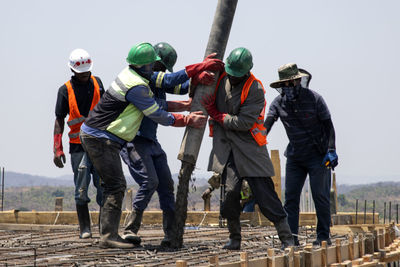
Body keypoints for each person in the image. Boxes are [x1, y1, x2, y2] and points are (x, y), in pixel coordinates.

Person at [80, 42, 221, 249]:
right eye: (155, 66)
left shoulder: (141, 76)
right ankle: (118, 233)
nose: (157, 70)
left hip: (124, 139)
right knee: (127, 184)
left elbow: (171, 91)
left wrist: (195, 82)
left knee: (163, 184)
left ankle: (170, 235)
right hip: (106, 138)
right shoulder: (137, 84)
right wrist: (187, 117)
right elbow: (157, 112)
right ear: (148, 65)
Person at [201, 47, 294, 250]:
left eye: (237, 76)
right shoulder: (221, 77)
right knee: (231, 194)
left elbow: (244, 123)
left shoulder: (255, 89)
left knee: (266, 196)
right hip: (228, 150)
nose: (232, 79)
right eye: (230, 74)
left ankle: (287, 239)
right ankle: (235, 239)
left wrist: (217, 116)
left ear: (246, 72)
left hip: (250, 150)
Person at [265, 63, 338, 246]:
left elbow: (329, 126)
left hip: (318, 156)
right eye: (285, 85)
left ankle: (323, 236)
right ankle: (291, 239)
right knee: (290, 198)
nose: (288, 88)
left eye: (291, 83)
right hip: (295, 157)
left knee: (320, 196)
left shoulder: (315, 99)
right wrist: (258, 138)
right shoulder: (278, 103)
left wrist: (331, 150)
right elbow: (267, 124)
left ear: (299, 81)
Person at [53, 48, 104, 239]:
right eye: (81, 73)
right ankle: (85, 228)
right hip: (78, 146)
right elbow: (59, 120)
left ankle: (104, 228)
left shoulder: (98, 83)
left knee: (104, 186)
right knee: (81, 189)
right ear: (73, 70)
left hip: (99, 143)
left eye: (87, 72)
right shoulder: (64, 90)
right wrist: (57, 148)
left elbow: (107, 110)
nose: (84, 75)